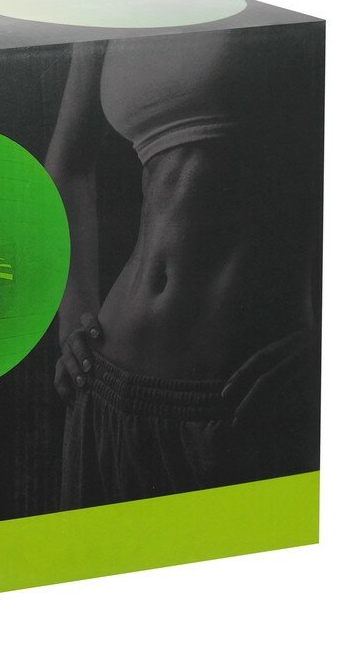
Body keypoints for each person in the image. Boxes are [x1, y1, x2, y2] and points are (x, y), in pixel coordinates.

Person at [46, 29, 322, 510]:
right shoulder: (106, 12)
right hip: (106, 383)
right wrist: (72, 316)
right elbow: (68, 166)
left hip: (242, 397)